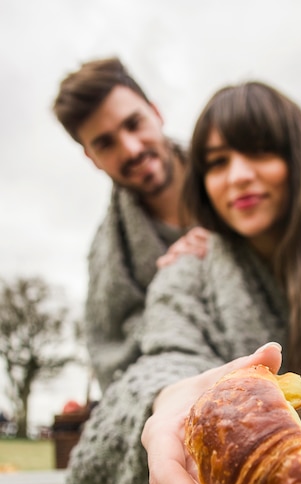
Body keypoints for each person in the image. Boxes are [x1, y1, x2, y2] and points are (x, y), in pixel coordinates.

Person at [62, 81, 301, 484]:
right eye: (219, 162)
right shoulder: (184, 268)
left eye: (262, 152)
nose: (239, 176)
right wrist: (167, 398)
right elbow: (165, 351)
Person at [52, 57, 208, 392]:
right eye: (105, 143)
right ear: (91, 158)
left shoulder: (238, 171)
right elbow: (113, 359)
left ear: (156, 112)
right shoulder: (107, 258)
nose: (131, 149)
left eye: (134, 123)